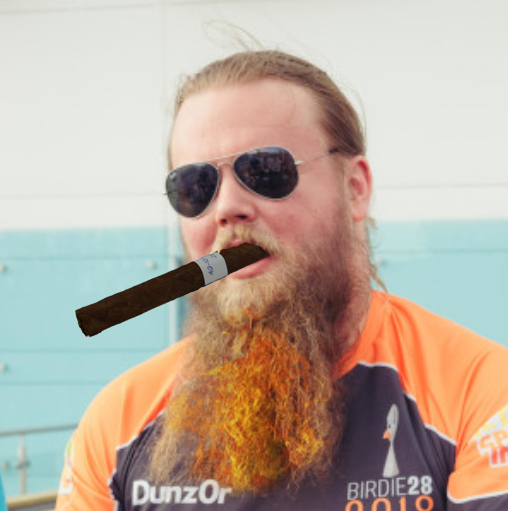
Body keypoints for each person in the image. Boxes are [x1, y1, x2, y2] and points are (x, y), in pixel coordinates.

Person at [56, 49, 508, 510]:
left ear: (354, 189)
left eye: (265, 172)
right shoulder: (117, 426)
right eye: (195, 187)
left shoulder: (482, 396)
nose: (227, 207)